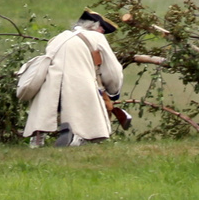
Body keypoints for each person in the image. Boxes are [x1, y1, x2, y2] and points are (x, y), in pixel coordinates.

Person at [23, 10, 125, 147]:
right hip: (79, 83)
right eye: (102, 30)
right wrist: (114, 92)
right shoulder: (97, 37)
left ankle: (37, 139)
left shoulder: (60, 37)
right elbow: (113, 70)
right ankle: (76, 138)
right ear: (97, 27)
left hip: (51, 82)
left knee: (47, 107)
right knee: (82, 115)